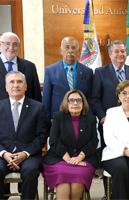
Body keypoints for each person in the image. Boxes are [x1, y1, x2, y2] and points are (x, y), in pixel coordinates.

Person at [91, 40, 129, 200]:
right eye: (116, 51)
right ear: (110, 54)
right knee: (114, 157)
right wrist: (103, 118)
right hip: (110, 123)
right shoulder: (100, 72)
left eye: (123, 51)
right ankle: (109, 193)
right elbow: (95, 98)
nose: (120, 54)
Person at [43, 89, 98, 200]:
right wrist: (68, 158)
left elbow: (93, 142)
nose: (75, 103)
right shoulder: (59, 117)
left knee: (78, 176)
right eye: (71, 100)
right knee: (62, 174)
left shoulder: (91, 119)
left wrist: (80, 157)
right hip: (59, 158)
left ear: (83, 103)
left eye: (79, 100)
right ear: (66, 103)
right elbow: (54, 140)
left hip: (83, 159)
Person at [0, 71, 47, 199]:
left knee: (30, 171)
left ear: (25, 86)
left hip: (28, 155)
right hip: (4, 155)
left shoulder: (37, 107)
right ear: (6, 87)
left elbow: (41, 136)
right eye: (12, 82)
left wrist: (25, 153)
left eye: (19, 82)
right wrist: (4, 153)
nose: (16, 85)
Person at [42, 37, 93, 127]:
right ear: (61, 50)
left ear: (78, 51)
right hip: (58, 119)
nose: (70, 50)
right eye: (67, 47)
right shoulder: (50, 70)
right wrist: (47, 123)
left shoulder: (87, 71)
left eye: (74, 48)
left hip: (82, 119)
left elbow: (90, 98)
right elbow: (46, 99)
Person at [0, 32, 41, 101]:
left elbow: (36, 95)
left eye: (15, 44)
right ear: (0, 45)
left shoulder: (30, 67)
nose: (11, 47)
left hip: (25, 110)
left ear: (19, 46)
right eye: (7, 44)